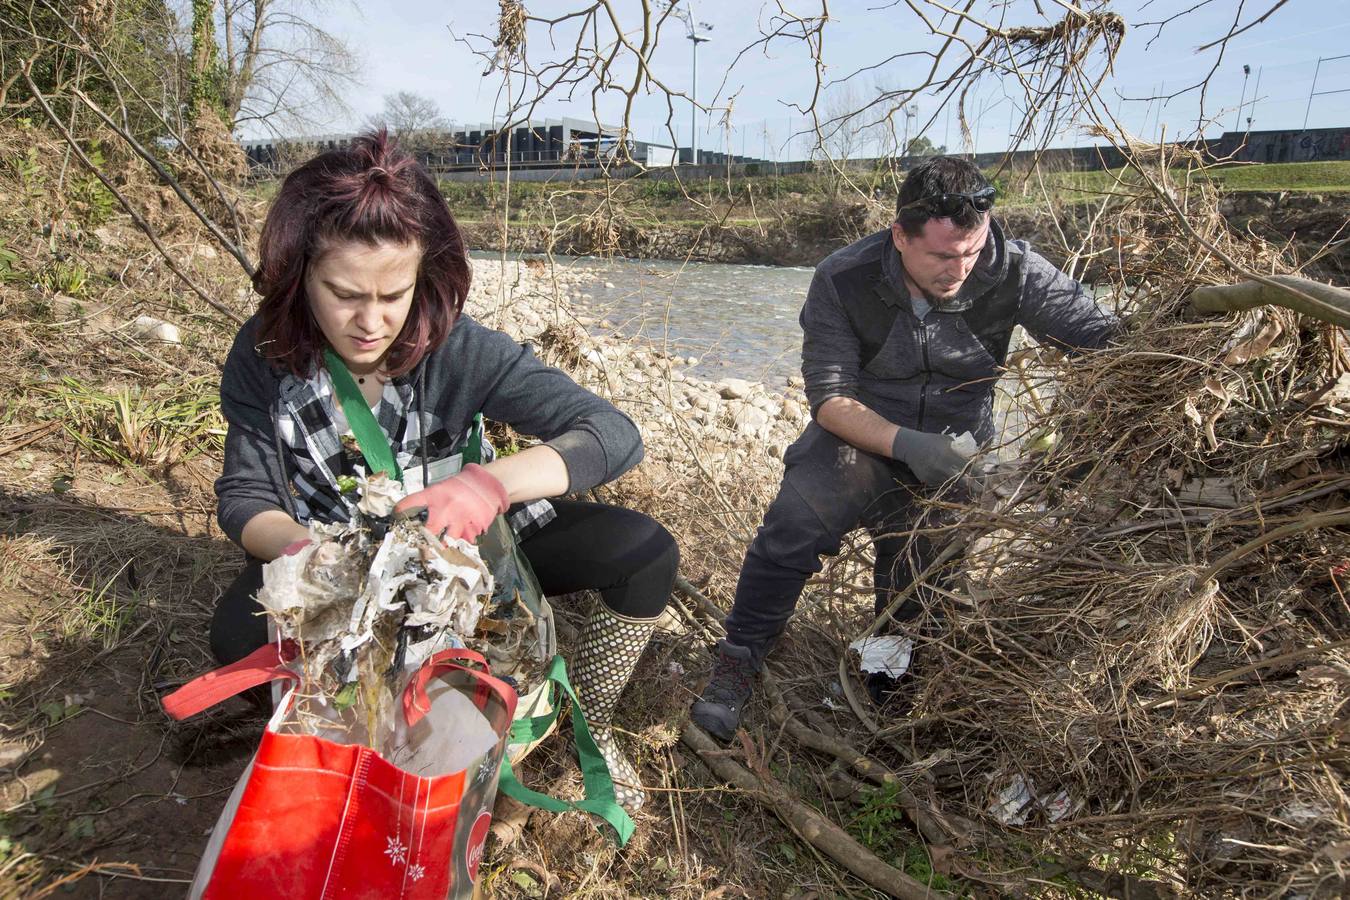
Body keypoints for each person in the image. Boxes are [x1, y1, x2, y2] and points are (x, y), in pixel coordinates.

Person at [210, 131, 677, 812]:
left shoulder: (459, 349)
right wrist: (309, 554)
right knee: (235, 632)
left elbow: (613, 435)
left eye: (394, 295)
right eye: (344, 294)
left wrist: (487, 484)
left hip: (468, 550)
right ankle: (356, 733)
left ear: (424, 279)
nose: (372, 323)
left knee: (646, 554)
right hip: (344, 558)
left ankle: (593, 724)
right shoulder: (264, 356)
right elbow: (244, 496)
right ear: (299, 275)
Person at [691, 156, 1117, 741]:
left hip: (960, 446)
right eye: (942, 256)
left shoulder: (1015, 270)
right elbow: (830, 400)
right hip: (858, 436)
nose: (960, 269)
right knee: (794, 524)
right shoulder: (844, 277)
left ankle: (889, 682)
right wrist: (908, 444)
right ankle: (738, 661)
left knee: (922, 571)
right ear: (899, 236)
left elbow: (1108, 345)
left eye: (972, 250)